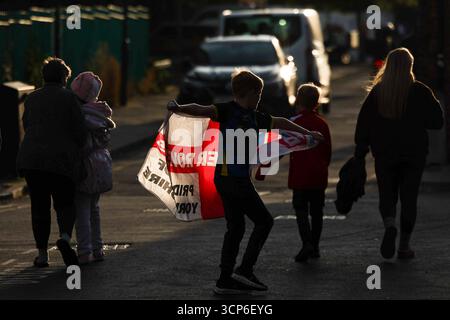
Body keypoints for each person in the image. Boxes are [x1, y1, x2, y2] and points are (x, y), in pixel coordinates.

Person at [167, 69, 324, 295]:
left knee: (236, 227)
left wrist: (307, 132)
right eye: (257, 94)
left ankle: (224, 279)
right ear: (247, 93)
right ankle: (244, 270)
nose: (260, 98)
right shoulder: (226, 110)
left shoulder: (255, 116)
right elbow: (201, 110)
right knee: (264, 222)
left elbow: (280, 122)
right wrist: (179, 108)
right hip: (232, 180)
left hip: (230, 180)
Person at [354, 48, 444, 260]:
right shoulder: (420, 91)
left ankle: (390, 224)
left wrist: (361, 152)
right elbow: (437, 123)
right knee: (409, 198)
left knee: (388, 194)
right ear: (410, 67)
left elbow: (363, 125)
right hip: (414, 154)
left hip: (385, 154)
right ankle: (404, 246)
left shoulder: (378, 92)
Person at [17, 57, 87, 267]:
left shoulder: (31, 98)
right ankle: (65, 238)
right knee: (65, 203)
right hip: (61, 161)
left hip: (32, 159)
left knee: (39, 206)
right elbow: (80, 133)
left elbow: (27, 125)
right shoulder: (70, 99)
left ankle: (42, 255)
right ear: (64, 78)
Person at [71, 71, 116, 265]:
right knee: (94, 209)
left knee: (81, 210)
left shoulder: (81, 115)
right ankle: (98, 248)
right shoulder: (100, 113)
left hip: (85, 166)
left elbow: (81, 142)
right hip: (101, 164)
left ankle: (84, 251)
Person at [288, 84, 331, 262]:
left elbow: (284, 145)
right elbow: (327, 151)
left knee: (300, 209)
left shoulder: (294, 122)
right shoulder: (322, 123)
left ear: (298, 100)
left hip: (300, 175)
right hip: (318, 175)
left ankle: (306, 243)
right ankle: (315, 246)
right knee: (317, 211)